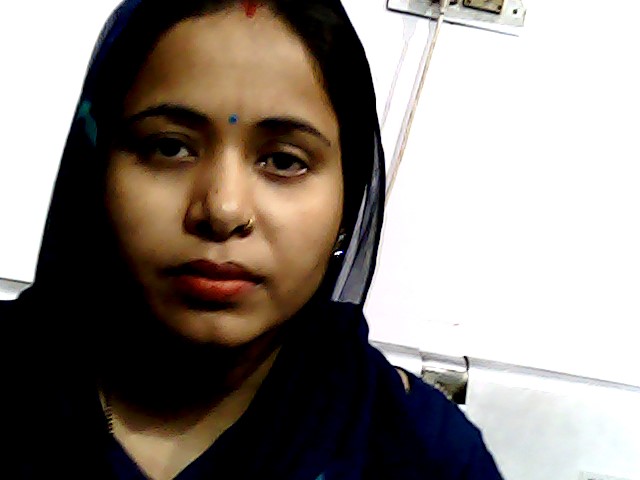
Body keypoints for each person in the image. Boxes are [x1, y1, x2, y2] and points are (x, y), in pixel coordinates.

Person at [0, 0, 504, 478]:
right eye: (170, 147)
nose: (223, 210)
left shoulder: (419, 454)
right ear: (95, 167)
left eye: (284, 160)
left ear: (347, 204)